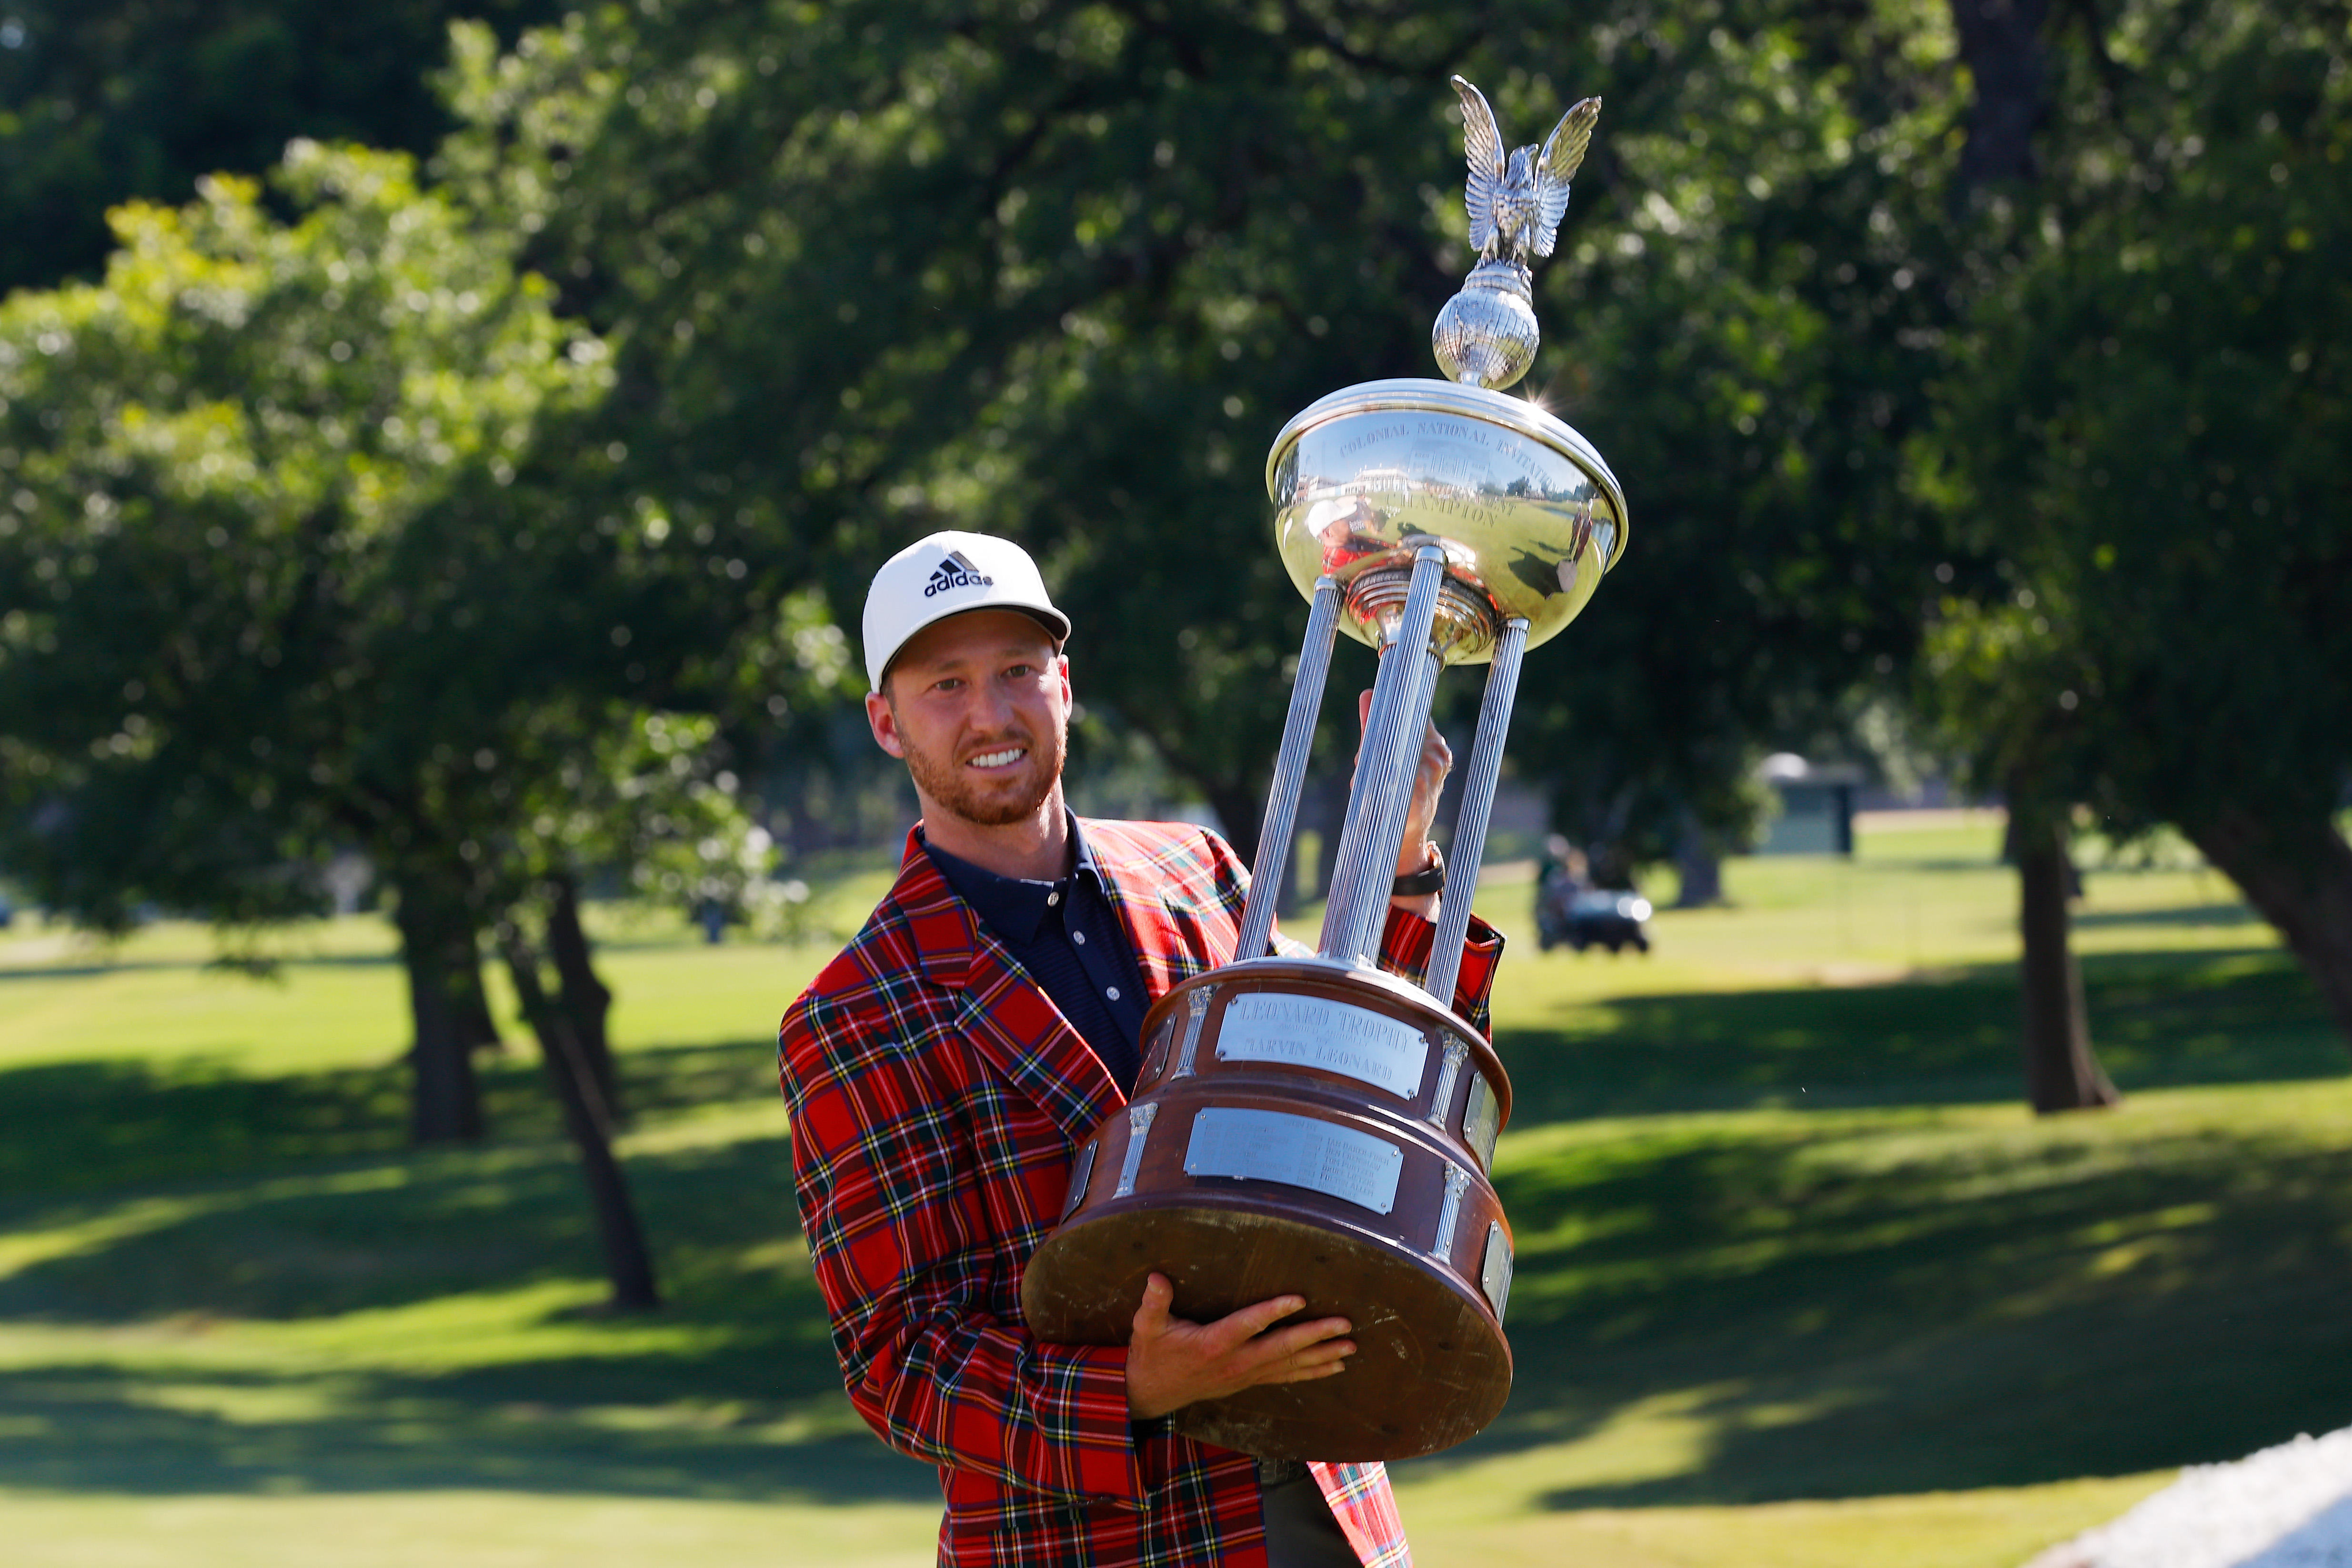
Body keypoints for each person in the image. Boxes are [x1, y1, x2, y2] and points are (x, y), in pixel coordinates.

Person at [778, 531, 1505, 1567]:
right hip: (1097, 1540)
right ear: (886, 723)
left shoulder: (1193, 867)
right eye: (946, 683)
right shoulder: (854, 1013)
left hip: (1325, 1511)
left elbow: (1377, 1080)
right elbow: (898, 1360)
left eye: (1017, 671)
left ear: (1063, 683)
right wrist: (1137, 1382)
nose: (990, 713)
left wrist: (1404, 859)